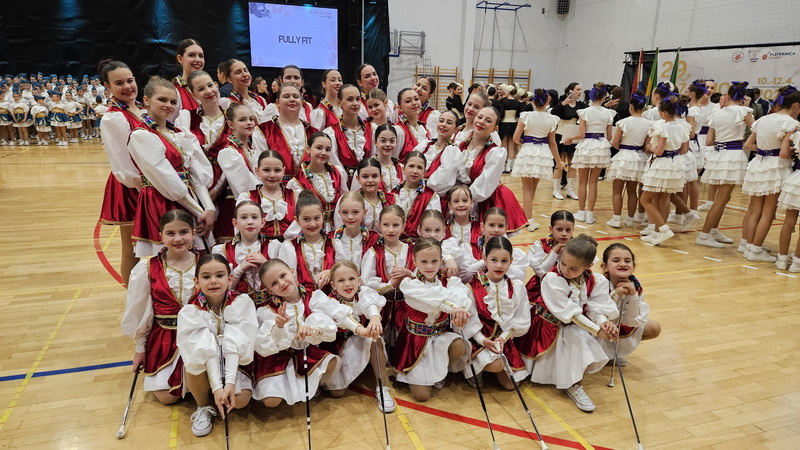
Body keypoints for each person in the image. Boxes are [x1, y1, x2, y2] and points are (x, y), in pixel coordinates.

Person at [127, 76, 215, 258]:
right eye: (162, 100)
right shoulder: (142, 136)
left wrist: (209, 209)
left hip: (189, 199)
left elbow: (196, 176)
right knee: (172, 257)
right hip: (162, 200)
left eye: (173, 102)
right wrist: (200, 213)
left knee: (200, 256)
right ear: (146, 100)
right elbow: (168, 182)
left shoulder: (180, 134)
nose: (169, 105)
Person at [529, 235, 619, 412]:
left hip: (572, 325)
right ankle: (571, 382)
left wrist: (603, 322)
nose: (565, 270)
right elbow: (570, 314)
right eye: (563, 263)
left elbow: (594, 306)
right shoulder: (552, 279)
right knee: (578, 336)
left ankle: (574, 383)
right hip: (547, 328)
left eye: (573, 268)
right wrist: (596, 330)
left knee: (579, 336)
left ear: (589, 266)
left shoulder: (595, 280)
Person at [122, 210, 199, 406]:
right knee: (166, 397)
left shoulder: (205, 263)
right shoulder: (148, 268)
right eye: (170, 233)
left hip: (199, 336)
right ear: (161, 236)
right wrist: (140, 350)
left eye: (183, 232)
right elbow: (141, 313)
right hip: (165, 338)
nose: (178, 239)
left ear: (194, 233)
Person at [177, 254, 257, 436]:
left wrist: (230, 382)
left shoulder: (242, 303)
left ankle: (225, 392)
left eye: (220, 275)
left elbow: (238, 343)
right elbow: (204, 350)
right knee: (193, 366)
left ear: (230, 279)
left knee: (241, 401)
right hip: (206, 362)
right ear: (196, 282)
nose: (213, 281)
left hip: (234, 359)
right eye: (206, 277)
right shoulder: (190, 311)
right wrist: (217, 388)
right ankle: (202, 406)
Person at [393, 238, 472, 401]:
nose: (429, 266)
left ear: (441, 260)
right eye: (424, 261)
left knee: (460, 344)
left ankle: (442, 371)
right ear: (414, 260)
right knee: (422, 396)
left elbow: (461, 296)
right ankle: (428, 373)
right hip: (417, 340)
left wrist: (461, 310)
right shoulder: (409, 284)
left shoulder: (449, 280)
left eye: (434, 261)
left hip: (441, 335)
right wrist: (453, 307)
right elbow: (431, 300)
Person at [252, 259, 339, 407]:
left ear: (292, 271)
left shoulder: (312, 297)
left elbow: (329, 326)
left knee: (331, 363)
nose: (281, 283)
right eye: (274, 283)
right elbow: (264, 345)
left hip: (304, 351)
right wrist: (279, 327)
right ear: (270, 291)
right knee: (271, 402)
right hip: (277, 356)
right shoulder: (266, 311)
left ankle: (311, 385)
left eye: (283, 276)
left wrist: (312, 330)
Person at [313, 261, 394, 411]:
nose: (347, 284)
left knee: (374, 340)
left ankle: (382, 388)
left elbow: (370, 304)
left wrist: (375, 318)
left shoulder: (363, 293)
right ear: (333, 285)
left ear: (359, 280)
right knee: (337, 393)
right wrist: (360, 329)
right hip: (338, 346)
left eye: (351, 278)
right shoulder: (328, 301)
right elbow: (343, 317)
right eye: (341, 280)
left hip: (361, 339)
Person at [97, 60, 144, 285]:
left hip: (153, 182)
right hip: (131, 186)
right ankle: (132, 294)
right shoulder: (113, 117)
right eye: (119, 83)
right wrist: (144, 186)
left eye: (130, 80)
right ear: (107, 86)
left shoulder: (143, 109)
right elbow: (122, 164)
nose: (127, 86)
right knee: (132, 246)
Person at [740, 86, 799, 261]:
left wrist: (765, 149)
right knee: (768, 211)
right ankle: (756, 249)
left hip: (758, 163)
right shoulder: (791, 123)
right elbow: (783, 153)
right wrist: (793, 151)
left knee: (755, 209)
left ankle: (749, 245)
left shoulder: (764, 119)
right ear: (796, 105)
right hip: (776, 167)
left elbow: (748, 145)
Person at [463, 236, 530, 389]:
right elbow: (470, 322)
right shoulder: (472, 287)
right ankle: (475, 368)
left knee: (512, 385)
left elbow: (521, 319)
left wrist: (503, 338)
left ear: (511, 261)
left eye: (504, 261)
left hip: (503, 340)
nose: (499, 265)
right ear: (485, 259)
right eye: (494, 260)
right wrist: (482, 340)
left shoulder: (517, 287)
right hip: (478, 341)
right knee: (496, 365)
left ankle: (491, 364)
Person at [695, 82, 755, 249]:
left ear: (728, 95)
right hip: (732, 156)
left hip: (718, 155)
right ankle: (704, 234)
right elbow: (758, 129)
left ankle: (713, 230)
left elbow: (709, 141)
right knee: (721, 199)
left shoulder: (718, 113)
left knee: (724, 198)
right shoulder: (744, 111)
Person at [456, 106, 528, 232]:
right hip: (461, 198)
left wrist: (463, 199)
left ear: (495, 128)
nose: (482, 122)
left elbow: (485, 183)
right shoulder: (461, 144)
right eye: (479, 117)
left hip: (487, 199)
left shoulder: (496, 152)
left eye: (488, 121)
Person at [640, 94, 691, 246]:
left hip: (661, 164)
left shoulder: (662, 127)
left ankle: (663, 229)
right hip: (675, 164)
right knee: (664, 199)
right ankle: (657, 233)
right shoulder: (682, 126)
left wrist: (650, 146)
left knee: (645, 200)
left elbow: (659, 150)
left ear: (662, 113)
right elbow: (684, 149)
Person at [361, 205, 415, 347]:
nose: (391, 230)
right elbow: (366, 285)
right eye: (386, 225)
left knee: (404, 345)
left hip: (407, 308)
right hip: (382, 307)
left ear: (403, 226)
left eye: (395, 225)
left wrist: (409, 274)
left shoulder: (412, 250)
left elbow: (423, 277)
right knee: (381, 344)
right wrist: (390, 285)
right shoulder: (373, 253)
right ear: (379, 226)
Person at [599, 243, 661, 365]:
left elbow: (633, 321)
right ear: (604, 266)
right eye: (616, 260)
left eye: (627, 261)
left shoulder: (636, 287)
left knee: (654, 328)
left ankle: (612, 354)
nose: (623, 264)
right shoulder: (598, 284)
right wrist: (615, 294)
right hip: (600, 325)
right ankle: (600, 354)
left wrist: (633, 295)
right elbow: (602, 314)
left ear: (633, 266)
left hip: (622, 324)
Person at [512, 88, 564, 231]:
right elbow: (552, 142)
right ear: (547, 101)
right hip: (543, 153)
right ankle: (527, 219)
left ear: (533, 101)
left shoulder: (526, 116)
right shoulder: (552, 119)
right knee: (532, 188)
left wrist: (525, 142)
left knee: (527, 190)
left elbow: (515, 138)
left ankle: (527, 219)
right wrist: (558, 161)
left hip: (528, 151)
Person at [565, 83, 616, 225]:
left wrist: (570, 138)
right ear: (604, 97)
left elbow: (581, 134)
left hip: (586, 145)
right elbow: (609, 136)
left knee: (582, 182)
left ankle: (581, 212)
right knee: (593, 183)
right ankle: (590, 214)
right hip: (601, 146)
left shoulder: (585, 112)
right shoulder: (608, 113)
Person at [278, 191, 339, 294]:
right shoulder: (290, 247)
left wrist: (331, 272)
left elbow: (347, 272)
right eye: (306, 219)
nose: (312, 224)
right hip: (303, 299)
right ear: (297, 221)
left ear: (322, 217)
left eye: (316, 218)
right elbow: (287, 279)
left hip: (332, 298)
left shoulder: (334, 244)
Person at [215, 104, 261, 241]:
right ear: (231, 124)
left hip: (258, 206)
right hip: (241, 208)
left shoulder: (252, 150)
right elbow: (244, 187)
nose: (249, 123)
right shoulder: (229, 153)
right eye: (242, 120)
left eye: (251, 119)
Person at [606, 90, 650, 228]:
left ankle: (616, 219)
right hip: (638, 157)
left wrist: (623, 148)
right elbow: (646, 146)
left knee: (617, 190)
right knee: (632, 191)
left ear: (631, 106)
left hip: (624, 155)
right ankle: (630, 218)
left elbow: (615, 142)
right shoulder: (648, 124)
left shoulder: (623, 122)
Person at [287, 133, 348, 231]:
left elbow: (345, 199)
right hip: (313, 229)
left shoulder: (337, 173)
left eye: (328, 149)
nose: (323, 153)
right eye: (319, 148)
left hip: (338, 227)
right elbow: (297, 212)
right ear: (308, 149)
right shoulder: (298, 181)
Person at [212, 200, 270, 299]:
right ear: (235, 223)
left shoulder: (274, 247)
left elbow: (281, 281)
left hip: (269, 304)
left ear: (262, 222)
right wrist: (240, 269)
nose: (250, 222)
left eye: (254, 217)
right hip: (236, 304)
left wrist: (266, 265)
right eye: (244, 217)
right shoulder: (222, 250)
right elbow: (222, 287)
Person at [259, 83, 317, 181]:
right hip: (276, 186)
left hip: (308, 186)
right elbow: (260, 167)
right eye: (286, 96)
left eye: (296, 96)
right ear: (277, 102)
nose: (292, 99)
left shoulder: (313, 132)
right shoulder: (264, 131)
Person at [239, 150, 296, 240]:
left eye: (277, 170)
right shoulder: (248, 198)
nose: (272, 175)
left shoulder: (295, 196)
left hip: (290, 246)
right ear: (257, 171)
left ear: (284, 171)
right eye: (266, 170)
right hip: (260, 246)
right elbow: (242, 230)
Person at [323, 84, 373, 181]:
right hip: (343, 182)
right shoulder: (331, 133)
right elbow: (335, 163)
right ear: (339, 102)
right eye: (350, 99)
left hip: (367, 182)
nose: (355, 103)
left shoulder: (371, 129)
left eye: (358, 99)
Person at [391, 151, 441, 237]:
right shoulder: (393, 193)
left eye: (419, 167)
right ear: (403, 169)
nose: (415, 171)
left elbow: (433, 225)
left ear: (424, 172)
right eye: (411, 166)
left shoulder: (430, 196)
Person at [551, 82, 587, 200]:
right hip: (561, 134)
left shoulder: (581, 105)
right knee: (560, 162)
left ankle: (570, 190)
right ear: (570, 91)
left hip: (573, 136)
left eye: (580, 90)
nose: (580, 92)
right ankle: (556, 189)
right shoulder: (562, 102)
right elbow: (553, 112)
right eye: (577, 89)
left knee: (572, 163)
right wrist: (564, 103)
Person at [344, 157, 397, 232]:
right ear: (358, 178)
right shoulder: (351, 201)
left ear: (381, 177)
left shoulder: (392, 199)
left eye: (374, 176)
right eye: (365, 177)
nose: (370, 180)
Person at [331, 191, 380, 267]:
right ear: (339, 213)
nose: (350, 217)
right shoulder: (331, 239)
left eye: (355, 212)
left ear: (364, 212)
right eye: (345, 212)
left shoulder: (373, 239)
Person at [777, 130, 800, 272]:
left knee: (789, 221)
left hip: (796, 179)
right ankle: (797, 262)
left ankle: (782, 259)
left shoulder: (798, 134)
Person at [394, 88, 429, 161]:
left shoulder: (425, 129)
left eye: (416, 99)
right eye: (408, 101)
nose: (414, 103)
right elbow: (393, 160)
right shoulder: (399, 131)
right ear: (400, 108)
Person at [173, 39, 204, 111]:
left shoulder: (210, 89)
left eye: (201, 56)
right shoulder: (174, 91)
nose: (198, 59)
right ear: (180, 59)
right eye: (191, 55)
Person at [498, 84, 523, 173]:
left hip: (504, 124)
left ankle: (502, 166)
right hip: (513, 124)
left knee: (503, 146)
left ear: (507, 92)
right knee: (511, 146)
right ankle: (508, 167)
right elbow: (519, 115)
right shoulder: (517, 103)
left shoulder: (504, 102)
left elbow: (501, 114)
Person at [371, 124, 404, 191]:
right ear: (375, 143)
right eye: (383, 141)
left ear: (396, 143)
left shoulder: (401, 168)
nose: (388, 144)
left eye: (392, 141)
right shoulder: (367, 167)